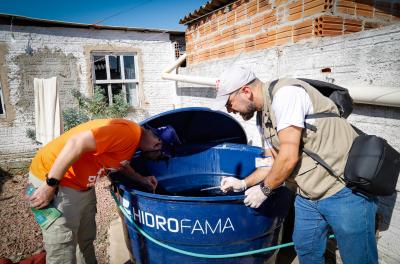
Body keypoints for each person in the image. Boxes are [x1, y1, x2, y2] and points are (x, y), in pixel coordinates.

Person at [216, 66, 378, 264]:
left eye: (229, 103)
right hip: (307, 195)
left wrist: (264, 189)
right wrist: (242, 183)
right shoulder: (262, 117)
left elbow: (288, 157)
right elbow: (270, 163)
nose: (230, 110)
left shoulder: (286, 95)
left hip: (343, 191)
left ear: (246, 92)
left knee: (358, 258)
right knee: (306, 248)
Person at [26, 118, 180, 264]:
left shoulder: (133, 141)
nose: (156, 160)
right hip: (56, 180)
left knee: (85, 240)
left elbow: (120, 163)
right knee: (62, 247)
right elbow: (76, 143)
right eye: (160, 157)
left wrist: (141, 179)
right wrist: (50, 184)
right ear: (157, 145)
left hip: (81, 186)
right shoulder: (127, 134)